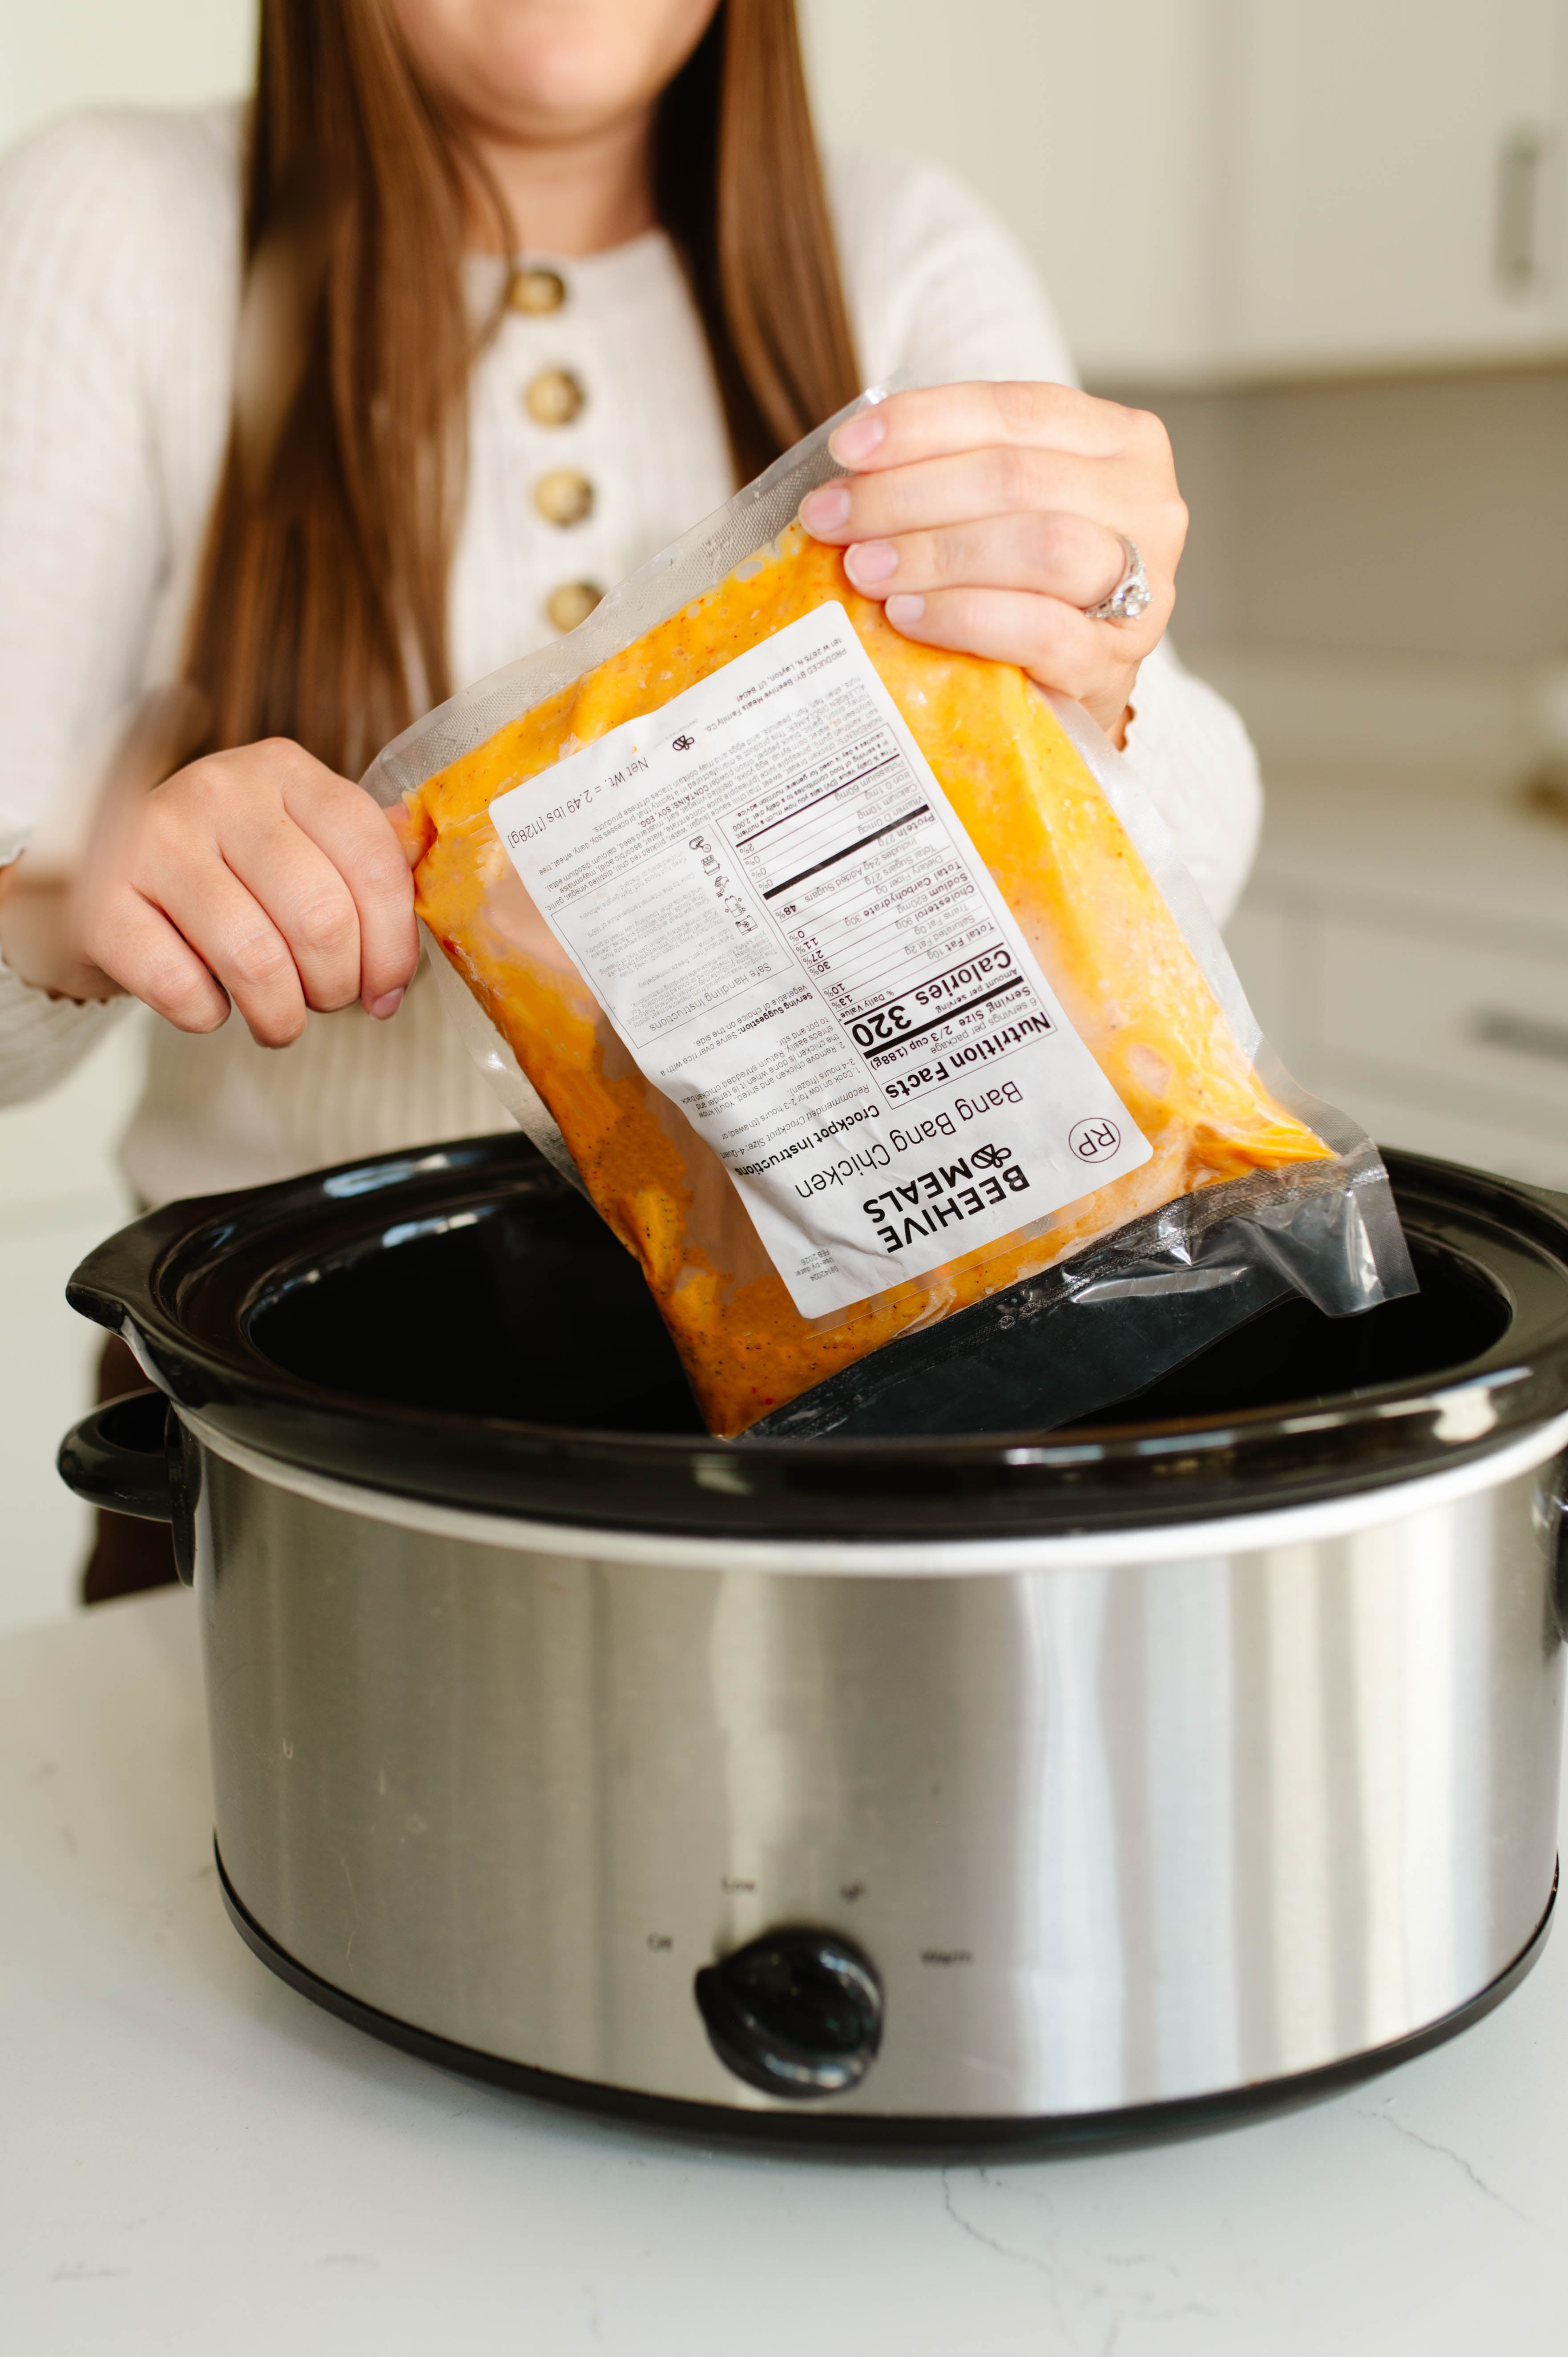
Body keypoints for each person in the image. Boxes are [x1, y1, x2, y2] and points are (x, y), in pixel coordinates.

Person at [0, 0, 1259, 1598]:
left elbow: (1188, 862)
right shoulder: (112, 225)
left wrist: (1105, 670)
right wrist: (71, 897)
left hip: (897, 1394)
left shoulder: (901, 252)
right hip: (297, 1438)